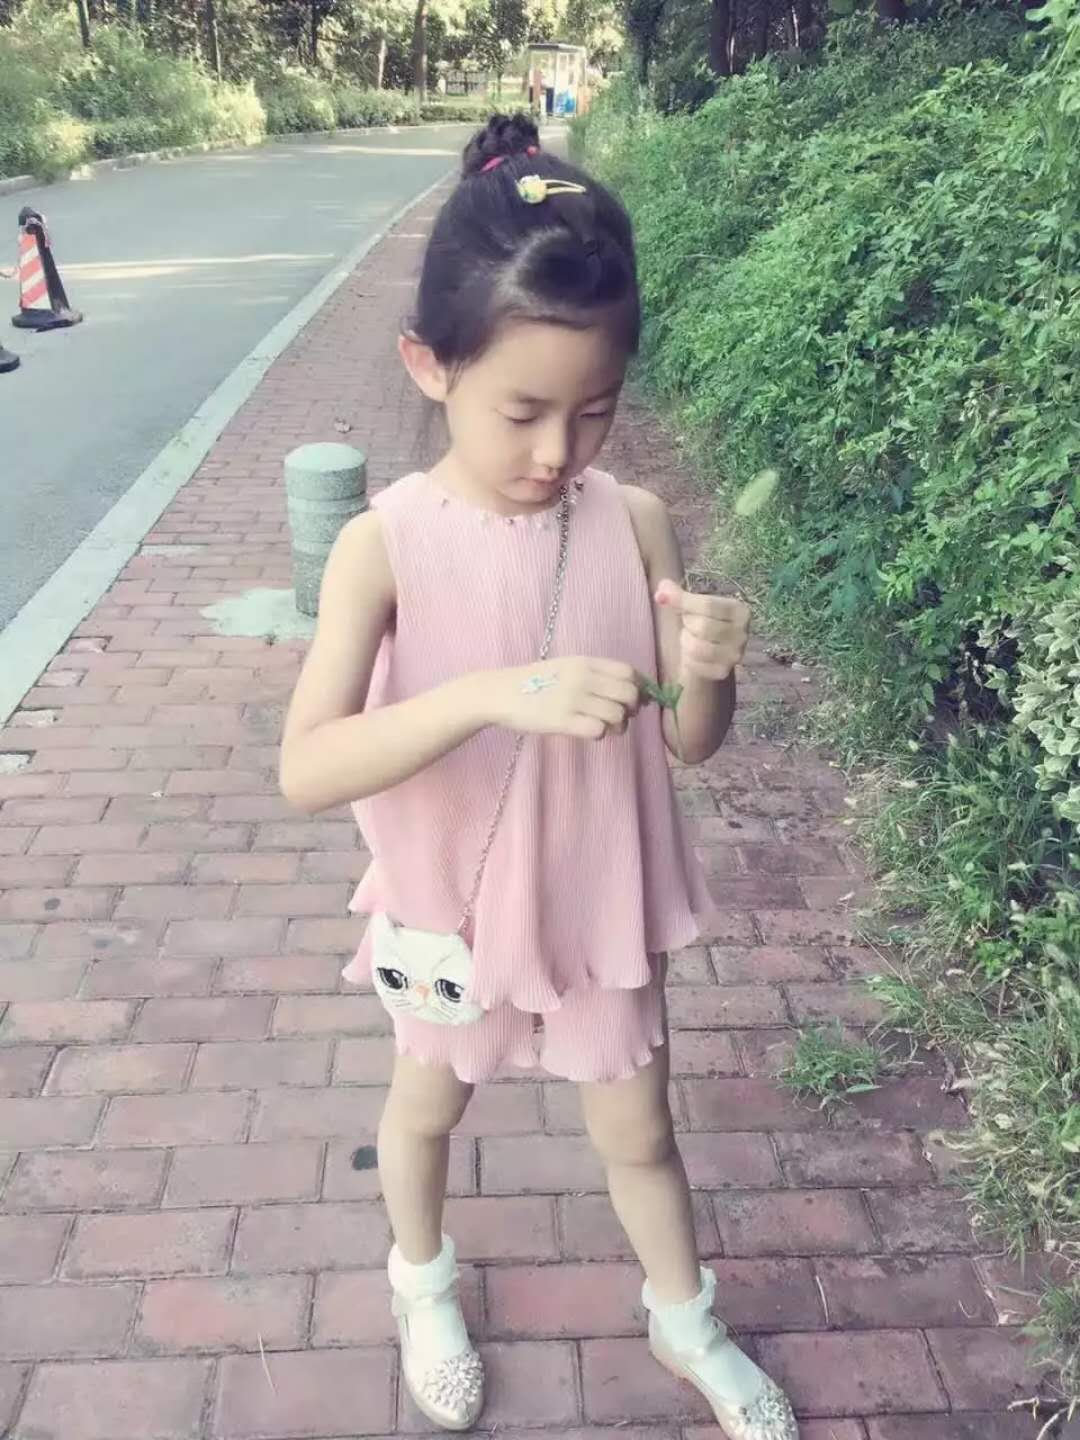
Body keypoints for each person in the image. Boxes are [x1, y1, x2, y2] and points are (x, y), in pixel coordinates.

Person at [280, 112, 798, 1440]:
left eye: (596, 410)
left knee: (641, 1135)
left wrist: (709, 669)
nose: (559, 452)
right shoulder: (385, 544)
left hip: (598, 898)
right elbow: (307, 766)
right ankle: (422, 1285)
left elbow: (687, 743)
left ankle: (685, 1323)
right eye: (522, 411)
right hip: (452, 910)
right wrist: (491, 694)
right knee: (425, 1110)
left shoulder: (635, 523)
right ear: (429, 365)